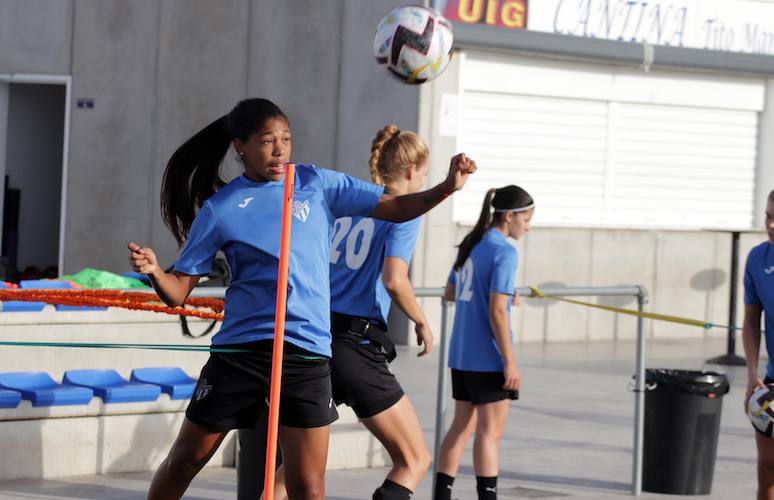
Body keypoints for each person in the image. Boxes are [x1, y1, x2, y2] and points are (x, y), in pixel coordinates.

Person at [127, 98, 477, 500]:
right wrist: (156, 272)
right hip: (240, 354)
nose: (279, 150)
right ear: (240, 147)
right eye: (266, 141)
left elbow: (396, 207)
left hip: (306, 354)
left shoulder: (316, 183)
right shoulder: (221, 209)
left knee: (308, 488)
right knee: (185, 461)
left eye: (286, 139)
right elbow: (178, 292)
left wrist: (448, 187)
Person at [434, 185, 534, 500]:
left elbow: (450, 292)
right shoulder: (504, 251)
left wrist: (503, 291)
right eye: (527, 219)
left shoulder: (473, 243)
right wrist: (510, 361)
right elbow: (496, 312)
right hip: (488, 357)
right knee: (490, 433)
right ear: (510, 216)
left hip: (462, 355)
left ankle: (441, 495)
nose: (528, 226)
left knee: (460, 427)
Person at [742, 188, 774, 500]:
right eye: (767, 216)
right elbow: (751, 321)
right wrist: (752, 375)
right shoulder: (757, 259)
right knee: (767, 467)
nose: (771, 224)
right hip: (772, 382)